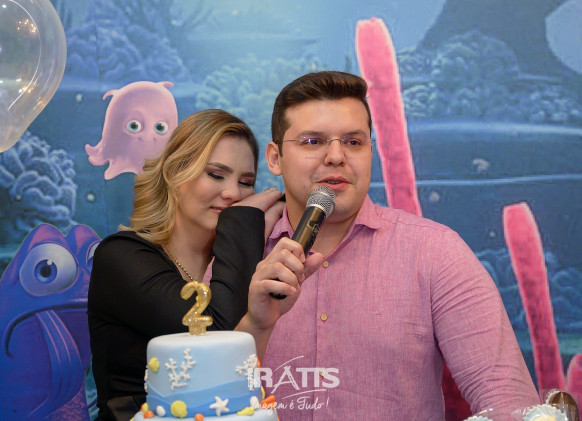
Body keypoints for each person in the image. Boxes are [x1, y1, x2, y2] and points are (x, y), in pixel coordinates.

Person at [240, 71, 541, 420]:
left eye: (353, 142)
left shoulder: (434, 252)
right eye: (313, 141)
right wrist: (256, 325)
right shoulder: (239, 256)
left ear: (371, 151)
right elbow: (201, 398)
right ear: (275, 158)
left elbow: (509, 401)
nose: (336, 156)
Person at [87, 109, 288, 420]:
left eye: (246, 182)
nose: (233, 193)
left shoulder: (247, 262)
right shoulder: (121, 256)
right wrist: (240, 222)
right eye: (216, 175)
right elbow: (214, 336)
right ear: (175, 174)